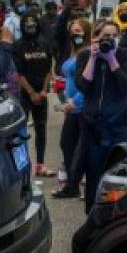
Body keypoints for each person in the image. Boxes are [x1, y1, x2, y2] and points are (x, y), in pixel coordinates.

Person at [76, 19, 127, 212]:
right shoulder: (85, 55)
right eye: (105, 37)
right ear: (95, 38)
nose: (110, 41)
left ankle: (120, 215)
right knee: (94, 174)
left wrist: (112, 59)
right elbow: (83, 86)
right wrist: (94, 59)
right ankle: (94, 216)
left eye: (114, 36)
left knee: (121, 174)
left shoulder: (125, 54)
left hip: (120, 125)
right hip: (95, 126)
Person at [12, 11, 55, 178]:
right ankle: (21, 166)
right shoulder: (18, 46)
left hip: (41, 94)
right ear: (22, 25)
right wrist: (31, 93)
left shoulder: (44, 43)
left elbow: (48, 69)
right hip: (24, 93)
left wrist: (44, 90)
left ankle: (40, 165)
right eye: (27, 22)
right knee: (21, 131)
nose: (31, 25)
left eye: (33, 22)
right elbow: (18, 73)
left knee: (41, 129)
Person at [52, 18, 91, 199]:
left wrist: (75, 101)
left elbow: (89, 82)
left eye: (79, 31)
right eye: (73, 31)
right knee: (66, 145)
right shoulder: (73, 51)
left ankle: (86, 185)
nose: (76, 34)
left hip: (81, 107)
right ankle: (72, 185)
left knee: (82, 149)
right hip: (70, 107)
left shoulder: (89, 53)